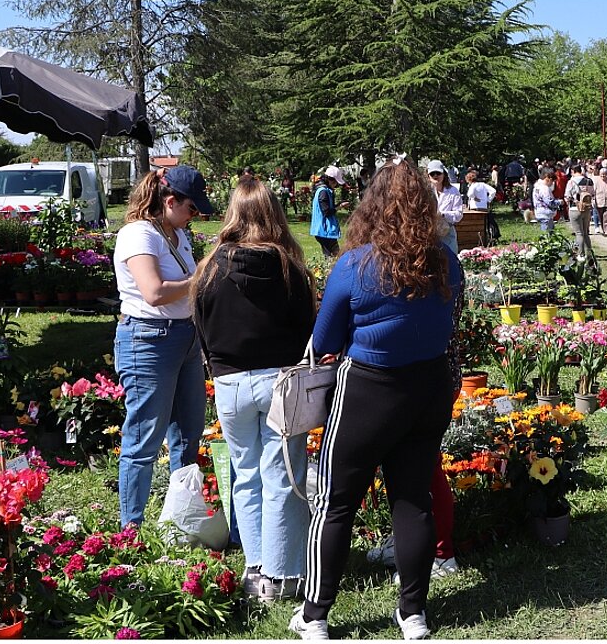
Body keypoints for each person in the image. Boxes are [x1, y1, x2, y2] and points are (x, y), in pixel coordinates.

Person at [292, 162, 464, 641]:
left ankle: (315, 615)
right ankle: (413, 614)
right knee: (413, 500)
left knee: (335, 503)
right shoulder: (447, 262)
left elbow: (324, 337)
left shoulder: (356, 264)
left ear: (372, 207)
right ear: (426, 207)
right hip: (427, 389)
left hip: (368, 388)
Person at [192, 176, 315, 603]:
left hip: (229, 382)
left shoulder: (210, 266)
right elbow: (308, 329)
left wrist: (218, 363)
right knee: (282, 474)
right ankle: (282, 576)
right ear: (273, 212)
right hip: (280, 379)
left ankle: (256, 568)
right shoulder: (288, 267)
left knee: (245, 475)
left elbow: (201, 323)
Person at [111, 165, 214, 528]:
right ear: (169, 201)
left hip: (183, 339)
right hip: (148, 341)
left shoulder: (174, 233)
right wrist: (201, 274)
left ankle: (180, 520)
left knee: (188, 433)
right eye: (190, 208)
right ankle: (131, 529)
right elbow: (154, 292)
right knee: (144, 439)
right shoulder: (138, 235)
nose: (194, 216)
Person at [427, 160, 464, 255]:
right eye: (432, 173)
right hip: (429, 234)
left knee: (450, 262)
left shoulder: (453, 191)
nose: (435, 176)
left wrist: (443, 214)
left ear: (444, 174)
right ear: (428, 176)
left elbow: (458, 215)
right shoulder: (425, 192)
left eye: (438, 173)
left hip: (447, 232)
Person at [311, 166, 346, 257]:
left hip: (323, 231)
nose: (336, 185)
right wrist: (340, 207)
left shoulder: (325, 190)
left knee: (334, 255)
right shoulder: (323, 192)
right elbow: (326, 212)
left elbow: (328, 207)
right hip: (324, 230)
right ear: (331, 180)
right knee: (332, 256)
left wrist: (338, 205)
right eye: (336, 183)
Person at [563, 163, 596, 260]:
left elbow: (567, 196)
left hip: (575, 208)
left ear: (572, 171)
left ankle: (581, 254)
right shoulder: (589, 181)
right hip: (587, 209)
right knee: (585, 232)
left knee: (579, 233)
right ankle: (589, 253)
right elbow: (593, 194)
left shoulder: (571, 182)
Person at [464, 168, 500, 244]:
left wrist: (474, 197)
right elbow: (493, 191)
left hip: (475, 207)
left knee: (476, 224)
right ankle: (486, 238)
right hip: (484, 206)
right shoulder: (483, 184)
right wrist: (488, 200)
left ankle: (477, 239)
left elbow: (469, 194)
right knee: (484, 224)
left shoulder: (472, 186)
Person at [531, 166, 560, 232]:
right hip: (546, 214)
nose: (552, 183)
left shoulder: (537, 186)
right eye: (552, 181)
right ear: (547, 178)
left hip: (540, 212)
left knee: (548, 233)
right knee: (548, 235)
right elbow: (550, 202)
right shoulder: (544, 188)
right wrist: (559, 202)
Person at [593, 164, 607, 237]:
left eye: (604, 174)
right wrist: (593, 200)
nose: (603, 176)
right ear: (599, 174)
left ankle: (606, 231)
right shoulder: (596, 181)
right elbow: (593, 192)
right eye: (601, 175)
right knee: (601, 217)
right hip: (599, 202)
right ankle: (604, 229)